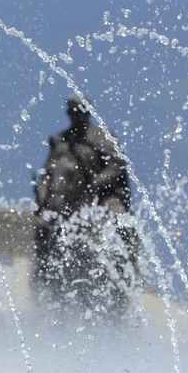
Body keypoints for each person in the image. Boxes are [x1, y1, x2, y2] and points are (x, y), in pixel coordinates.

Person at [33, 95, 138, 314]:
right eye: (72, 110)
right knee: (44, 225)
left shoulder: (101, 137)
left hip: (103, 196)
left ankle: (128, 266)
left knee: (119, 221)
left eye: (79, 110)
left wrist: (96, 183)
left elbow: (117, 165)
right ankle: (43, 272)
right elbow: (50, 171)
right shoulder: (62, 140)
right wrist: (43, 198)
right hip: (71, 198)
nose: (75, 114)